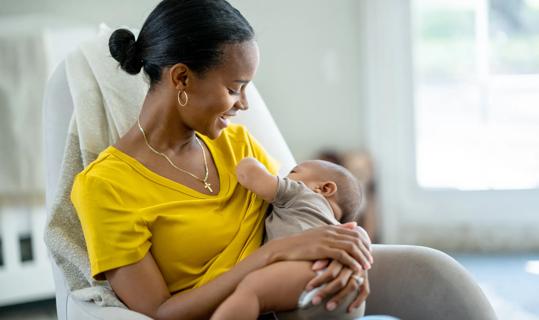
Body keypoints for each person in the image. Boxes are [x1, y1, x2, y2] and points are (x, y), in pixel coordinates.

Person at [71, 0, 372, 319]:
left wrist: (350, 241)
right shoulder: (106, 187)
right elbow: (159, 312)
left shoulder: (239, 146)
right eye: (234, 89)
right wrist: (272, 255)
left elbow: (300, 208)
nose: (243, 104)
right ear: (182, 79)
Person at [210, 158, 368, 319]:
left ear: (323, 188)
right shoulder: (334, 225)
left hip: (311, 270)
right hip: (349, 292)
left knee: (250, 290)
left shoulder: (302, 193)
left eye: (293, 172)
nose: (283, 177)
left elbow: (249, 176)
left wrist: (248, 161)